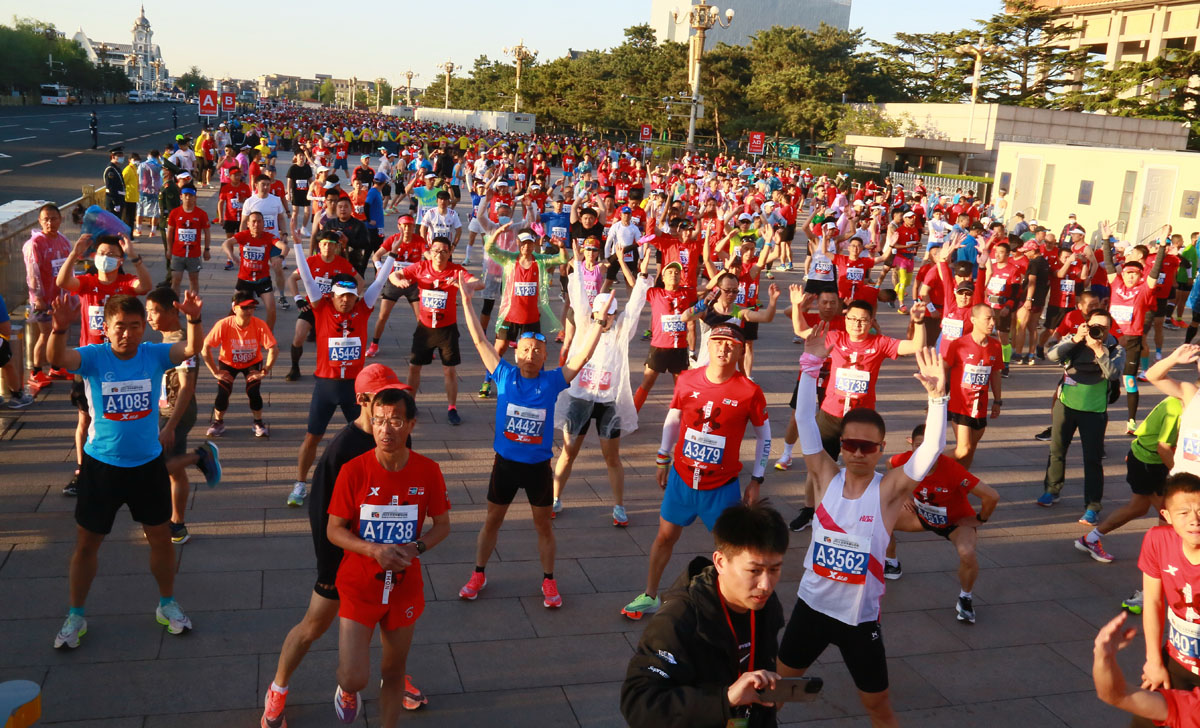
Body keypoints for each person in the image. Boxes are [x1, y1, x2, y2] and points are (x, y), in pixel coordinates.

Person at [777, 331, 949, 726]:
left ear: (881, 450)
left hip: (859, 621)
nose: (857, 452)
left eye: (868, 447)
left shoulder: (888, 492)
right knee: (778, 691)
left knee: (878, 705)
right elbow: (804, 420)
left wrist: (938, 399)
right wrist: (810, 367)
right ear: (840, 445)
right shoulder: (824, 476)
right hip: (811, 609)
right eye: (851, 444)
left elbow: (931, 450)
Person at [261, 365, 428, 728]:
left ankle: (394, 678)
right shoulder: (342, 450)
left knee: (392, 629)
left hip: (389, 565)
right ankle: (278, 689)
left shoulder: (399, 435)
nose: (393, 403)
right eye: (383, 396)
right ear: (364, 401)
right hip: (345, 564)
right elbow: (322, 515)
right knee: (312, 627)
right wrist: (330, 571)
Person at [49, 291, 205, 649]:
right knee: (87, 544)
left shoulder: (153, 354)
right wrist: (58, 329)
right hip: (101, 467)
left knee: (160, 538)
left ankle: (167, 604)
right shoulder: (93, 357)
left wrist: (194, 319)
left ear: (142, 328)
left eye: (135, 326)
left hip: (147, 466)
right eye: (120, 326)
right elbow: (57, 358)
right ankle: (75, 615)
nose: (127, 334)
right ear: (106, 327)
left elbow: (190, 349)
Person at [455, 269, 607, 608]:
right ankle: (478, 573)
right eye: (525, 349)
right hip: (505, 465)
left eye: (537, 351)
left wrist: (598, 323)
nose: (531, 355)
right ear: (516, 353)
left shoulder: (551, 381)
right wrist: (466, 300)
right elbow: (479, 340)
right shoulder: (503, 374)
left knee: (544, 527)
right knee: (492, 520)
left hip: (538, 468)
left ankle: (549, 581)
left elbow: (581, 357)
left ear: (544, 357)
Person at [622, 325, 771, 620]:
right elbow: (674, 417)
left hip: (722, 486)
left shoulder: (749, 391)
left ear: (741, 351)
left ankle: (736, 606)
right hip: (682, 479)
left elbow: (764, 437)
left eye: (730, 344)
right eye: (717, 342)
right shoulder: (688, 379)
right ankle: (650, 595)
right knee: (665, 537)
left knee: (731, 549)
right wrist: (662, 457)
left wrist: (757, 480)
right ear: (708, 345)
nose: (723, 348)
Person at [325, 387, 451, 727]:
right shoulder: (353, 470)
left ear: (410, 424)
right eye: (379, 421)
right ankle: (347, 689)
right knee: (353, 676)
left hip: (404, 588)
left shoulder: (428, 471)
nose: (385, 429)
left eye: (395, 421)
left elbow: (442, 526)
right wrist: (374, 550)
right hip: (359, 585)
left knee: (393, 671)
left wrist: (416, 547)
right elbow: (334, 530)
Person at [621, 504, 789, 728]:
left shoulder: (765, 605)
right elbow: (638, 703)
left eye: (774, 569)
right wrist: (725, 699)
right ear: (720, 562)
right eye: (754, 571)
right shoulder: (679, 618)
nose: (766, 585)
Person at [286, 242, 395, 506]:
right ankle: (300, 484)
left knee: (368, 436)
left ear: (357, 297)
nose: (346, 300)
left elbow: (380, 282)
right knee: (313, 436)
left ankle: (374, 483)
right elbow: (306, 277)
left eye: (350, 296)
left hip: (355, 389)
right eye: (341, 296)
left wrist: (393, 254)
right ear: (331, 296)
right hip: (326, 386)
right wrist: (298, 244)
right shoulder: (321, 308)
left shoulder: (363, 309)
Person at [56, 233, 153, 496]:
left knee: (121, 415)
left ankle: (123, 468)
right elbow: (62, 281)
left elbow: (145, 286)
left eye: (111, 255)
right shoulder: (87, 283)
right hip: (90, 362)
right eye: (101, 253)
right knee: (85, 418)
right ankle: (82, 471)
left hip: (122, 361)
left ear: (120, 260)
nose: (105, 258)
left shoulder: (125, 282)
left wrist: (135, 256)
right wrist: (75, 253)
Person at [552, 256, 647, 523]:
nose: (604, 318)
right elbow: (579, 296)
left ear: (615, 315)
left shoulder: (620, 333)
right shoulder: (585, 327)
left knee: (612, 457)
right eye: (599, 313)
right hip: (580, 399)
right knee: (568, 453)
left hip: (607, 403)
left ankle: (619, 506)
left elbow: (635, 308)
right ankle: (555, 498)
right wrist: (576, 267)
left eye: (609, 314)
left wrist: (642, 278)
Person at [883, 424, 999, 622]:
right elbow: (889, 464)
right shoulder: (906, 460)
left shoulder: (952, 470)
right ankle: (892, 564)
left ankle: (965, 598)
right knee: (881, 519)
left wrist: (980, 519)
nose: (924, 453)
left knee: (967, 553)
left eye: (929, 447)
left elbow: (991, 496)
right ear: (911, 445)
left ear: (938, 448)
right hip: (922, 516)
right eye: (919, 446)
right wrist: (904, 496)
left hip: (955, 523)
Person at [144, 286, 221, 546]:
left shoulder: (182, 341)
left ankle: (201, 455)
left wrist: (170, 426)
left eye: (154, 312)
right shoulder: (167, 338)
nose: (149, 318)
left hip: (177, 414)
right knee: (173, 471)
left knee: (157, 469)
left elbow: (188, 387)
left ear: (172, 311)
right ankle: (176, 524)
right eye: (147, 312)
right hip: (165, 412)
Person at [380, 236, 482, 425]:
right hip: (425, 329)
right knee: (414, 367)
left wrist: (466, 285)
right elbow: (394, 274)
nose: (439, 255)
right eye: (435, 251)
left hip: (447, 330)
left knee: (449, 370)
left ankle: (452, 408)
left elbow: (479, 282)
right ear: (430, 251)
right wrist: (398, 281)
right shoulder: (421, 267)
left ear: (450, 253)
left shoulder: (456, 271)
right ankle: (410, 403)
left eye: (443, 251)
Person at [1038, 309, 1124, 524]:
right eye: (1095, 326)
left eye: (1103, 328)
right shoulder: (1074, 339)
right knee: (1057, 450)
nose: (1098, 331)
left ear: (1109, 329)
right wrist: (1076, 338)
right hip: (1066, 405)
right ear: (1086, 324)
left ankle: (1093, 506)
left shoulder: (1115, 348)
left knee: (1092, 459)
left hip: (1094, 411)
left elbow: (1113, 373)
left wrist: (1099, 351)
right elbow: (1052, 355)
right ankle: (1052, 490)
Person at [1074, 390, 1180, 566]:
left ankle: (1090, 539)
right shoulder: (1177, 408)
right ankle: (1166, 562)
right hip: (1148, 463)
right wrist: (1179, 475)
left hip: (1145, 459)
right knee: (1169, 513)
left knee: (1138, 508)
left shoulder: (1178, 401)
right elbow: (1163, 448)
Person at [1131, 471, 1200, 727]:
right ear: (1167, 516)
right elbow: (1153, 602)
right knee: (1145, 719)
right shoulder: (1157, 540)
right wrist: (1153, 660)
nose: (1194, 520)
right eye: (1183, 513)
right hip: (1176, 661)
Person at [1092, 611, 1200, 728]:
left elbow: (1118, 695)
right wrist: (1104, 656)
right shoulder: (1194, 711)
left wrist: (1103, 656)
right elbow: (1118, 695)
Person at [201, 291, 277, 438]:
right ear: (234, 308)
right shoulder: (223, 324)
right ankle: (218, 422)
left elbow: (273, 349)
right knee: (223, 392)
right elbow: (205, 348)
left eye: (252, 307)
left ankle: (258, 422)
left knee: (253, 391)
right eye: (244, 307)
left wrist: (265, 370)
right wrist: (215, 371)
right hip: (228, 363)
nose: (249, 311)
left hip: (252, 362)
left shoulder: (260, 325)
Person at [22, 203, 74, 390]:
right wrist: (38, 297)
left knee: (61, 332)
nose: (50, 223)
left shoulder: (63, 240)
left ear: (61, 219)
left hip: (60, 297)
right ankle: (36, 371)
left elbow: (68, 268)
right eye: (46, 219)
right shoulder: (35, 244)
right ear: (39, 221)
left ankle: (56, 367)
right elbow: (33, 273)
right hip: (43, 300)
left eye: (54, 219)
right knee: (46, 334)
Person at [943, 304, 1003, 467]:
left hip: (980, 407)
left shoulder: (996, 346)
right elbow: (944, 369)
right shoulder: (959, 344)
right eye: (988, 319)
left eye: (993, 319)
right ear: (973, 320)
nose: (992, 323)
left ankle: (962, 480)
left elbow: (995, 373)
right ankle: (924, 464)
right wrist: (938, 395)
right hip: (960, 406)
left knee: (971, 449)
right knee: (963, 449)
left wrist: (997, 401)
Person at [222, 210, 284, 333]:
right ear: (248, 224)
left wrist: (281, 257)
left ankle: (267, 336)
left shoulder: (269, 237)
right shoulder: (243, 235)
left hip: (263, 280)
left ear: (263, 224)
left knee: (271, 309)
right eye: (253, 222)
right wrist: (232, 256)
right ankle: (226, 332)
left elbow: (284, 247)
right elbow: (226, 243)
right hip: (245, 280)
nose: (256, 224)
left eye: (259, 222)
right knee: (235, 309)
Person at [166, 184, 211, 293]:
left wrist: (207, 249)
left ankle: (193, 303)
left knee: (194, 280)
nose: (188, 198)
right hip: (178, 253)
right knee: (176, 280)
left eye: (191, 195)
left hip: (194, 254)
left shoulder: (201, 214)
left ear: (195, 197)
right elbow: (170, 232)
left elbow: (207, 232)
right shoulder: (174, 213)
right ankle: (175, 303)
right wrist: (169, 249)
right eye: (185, 195)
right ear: (181, 196)